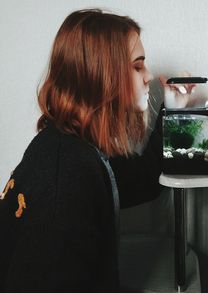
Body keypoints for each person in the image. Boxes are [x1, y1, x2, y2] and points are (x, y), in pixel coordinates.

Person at [0, 9, 194, 293]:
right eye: (138, 66)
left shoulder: (74, 149)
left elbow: (143, 179)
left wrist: (173, 114)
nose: (149, 76)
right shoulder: (64, 177)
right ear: (101, 75)